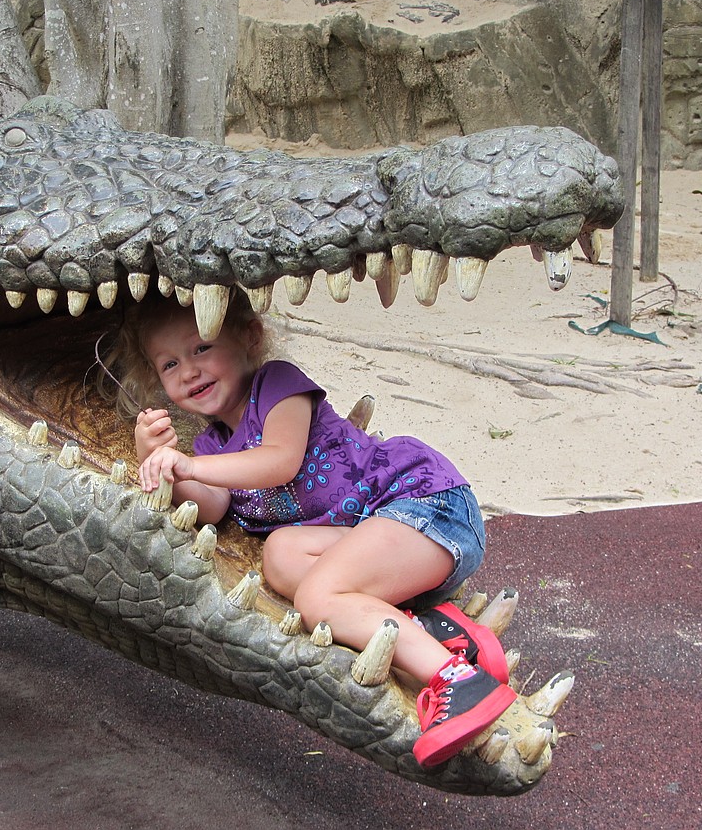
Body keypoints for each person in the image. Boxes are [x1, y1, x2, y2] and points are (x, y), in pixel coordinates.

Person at [110, 289, 517, 766]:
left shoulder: (278, 386)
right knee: (280, 556)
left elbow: (278, 462)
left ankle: (457, 681)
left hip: (425, 506)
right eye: (169, 365)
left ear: (249, 336)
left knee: (317, 598)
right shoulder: (214, 444)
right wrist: (160, 463)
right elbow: (212, 506)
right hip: (376, 534)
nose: (189, 370)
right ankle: (433, 630)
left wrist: (194, 467)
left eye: (201, 347)